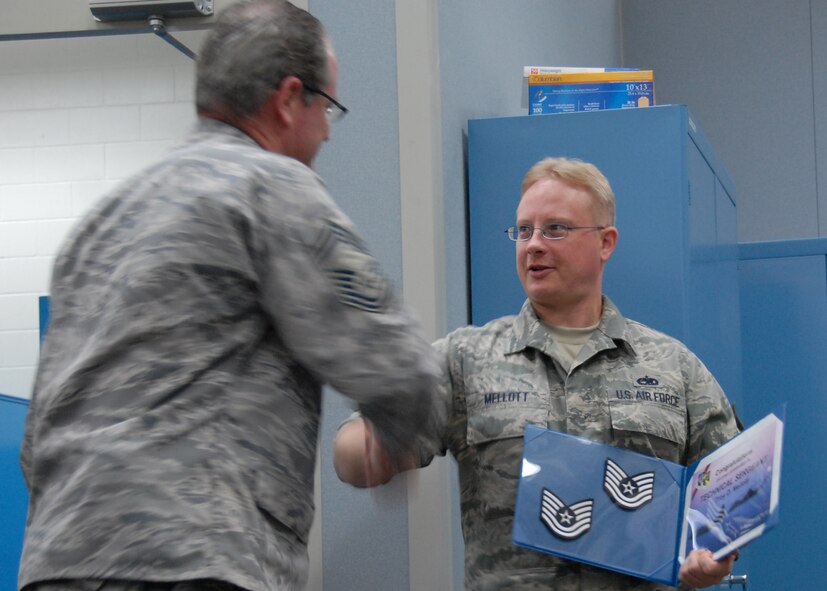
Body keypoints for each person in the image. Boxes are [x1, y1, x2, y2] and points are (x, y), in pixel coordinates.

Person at [18, 1, 440, 590]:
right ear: (290, 98)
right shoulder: (272, 186)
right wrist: (395, 438)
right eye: (327, 107)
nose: (324, 129)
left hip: (60, 561)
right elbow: (393, 362)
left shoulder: (98, 225)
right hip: (195, 559)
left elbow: (36, 436)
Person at [334, 157, 741, 590]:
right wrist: (371, 448)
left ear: (606, 243)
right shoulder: (466, 358)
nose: (533, 244)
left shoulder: (672, 367)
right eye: (523, 230)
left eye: (555, 229)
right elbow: (351, 453)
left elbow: (734, 485)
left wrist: (714, 552)